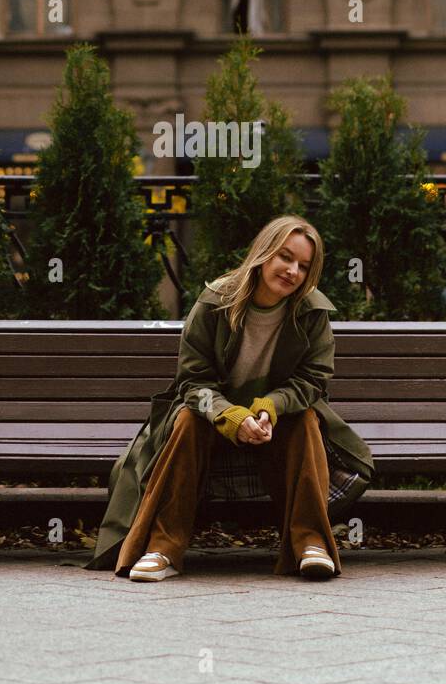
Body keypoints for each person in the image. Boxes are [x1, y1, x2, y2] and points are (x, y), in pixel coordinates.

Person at [84, 215, 375, 582]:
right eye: (285, 257)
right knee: (187, 419)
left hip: (277, 422)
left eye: (303, 265)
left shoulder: (312, 311)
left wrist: (271, 406)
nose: (292, 271)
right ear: (264, 252)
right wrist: (230, 417)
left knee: (306, 420)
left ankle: (311, 543)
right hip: (210, 417)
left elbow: (312, 381)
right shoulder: (216, 301)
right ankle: (163, 549)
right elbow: (193, 382)